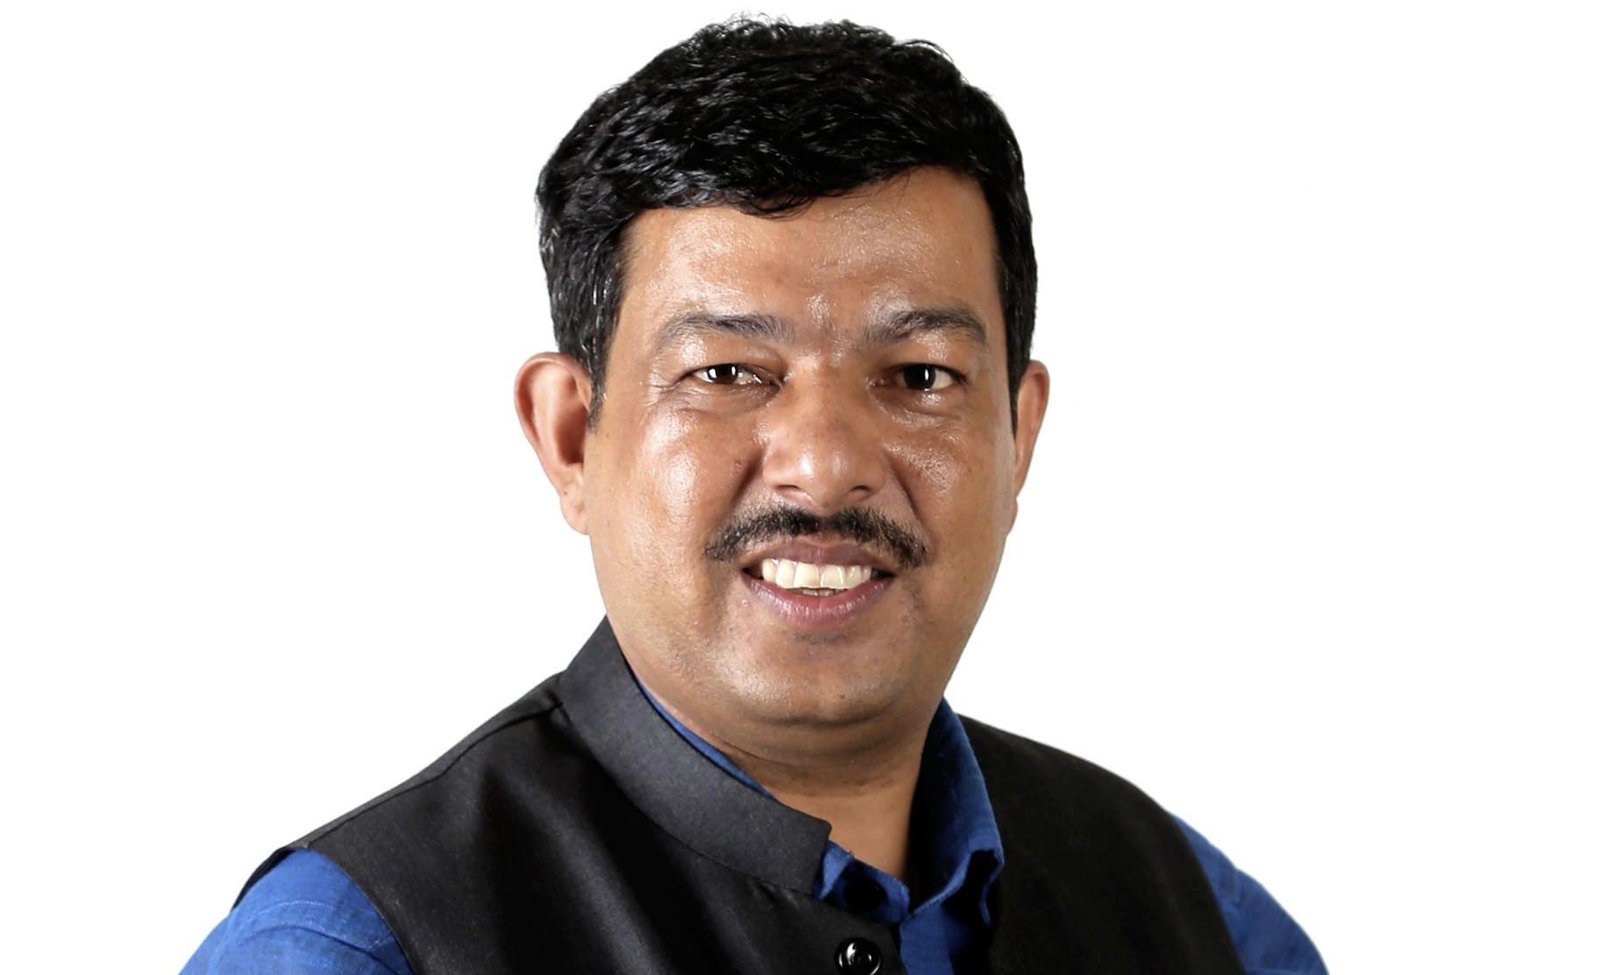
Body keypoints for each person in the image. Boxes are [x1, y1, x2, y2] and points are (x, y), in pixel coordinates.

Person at [183, 18, 1324, 975]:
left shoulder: (1203, 919)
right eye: (727, 372)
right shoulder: (360, 947)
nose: (824, 465)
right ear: (571, 435)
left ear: (1017, 435)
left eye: (919, 375)